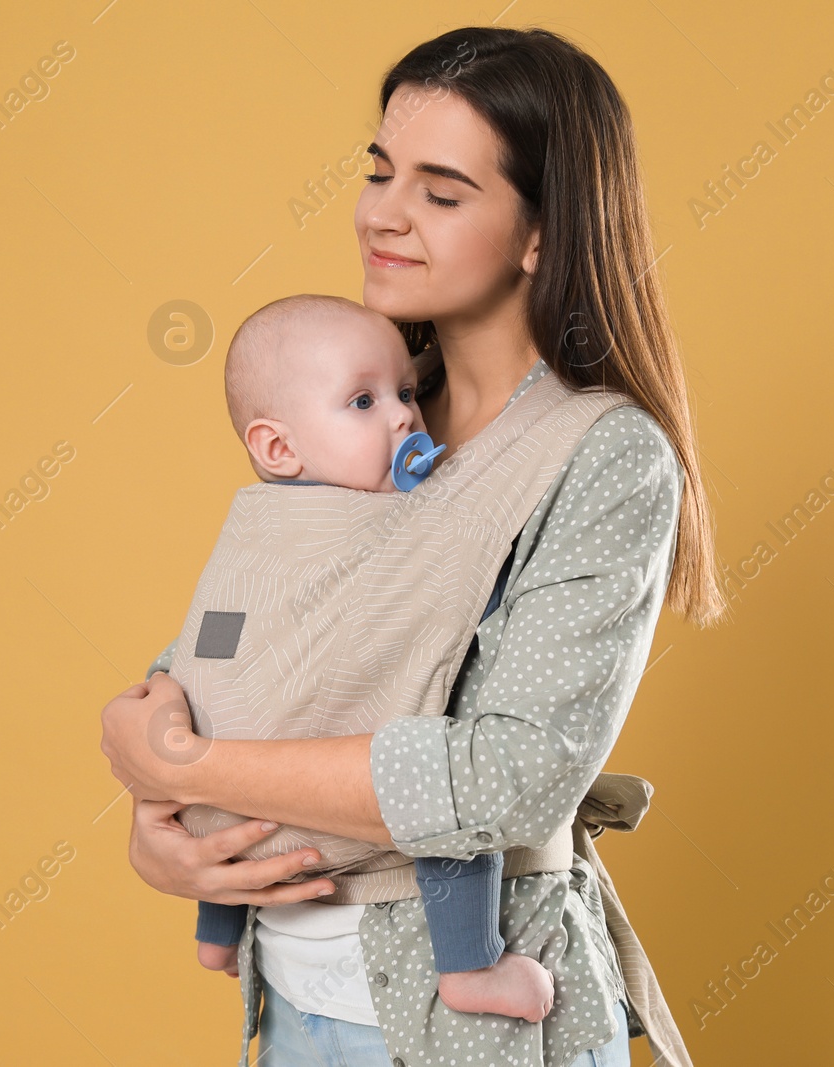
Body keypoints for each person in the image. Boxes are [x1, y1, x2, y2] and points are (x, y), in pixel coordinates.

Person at [101, 25, 726, 1067]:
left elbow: (508, 777)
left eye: (441, 191)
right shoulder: (363, 413)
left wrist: (201, 761)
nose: (382, 213)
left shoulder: (600, 455)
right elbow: (252, 638)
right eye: (380, 170)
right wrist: (165, 808)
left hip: (470, 1031)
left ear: (542, 231)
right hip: (294, 1004)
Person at [186, 291, 560, 1023]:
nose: (402, 418)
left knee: (229, 714)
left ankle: (215, 932)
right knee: (443, 788)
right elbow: (454, 611)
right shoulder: (384, 528)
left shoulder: (259, 525)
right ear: (278, 448)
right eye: (362, 401)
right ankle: (469, 966)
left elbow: (206, 646)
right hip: (310, 807)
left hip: (214, 810)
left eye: (407, 392)